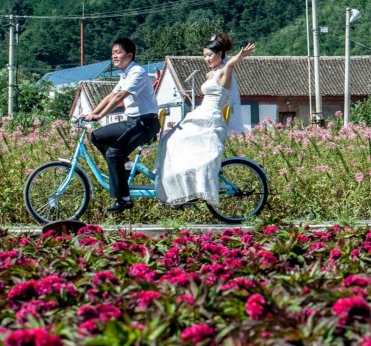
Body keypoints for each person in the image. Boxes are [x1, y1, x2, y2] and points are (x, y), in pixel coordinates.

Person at [155, 33, 255, 208]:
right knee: (168, 140)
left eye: (209, 55)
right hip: (200, 114)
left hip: (211, 117)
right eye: (205, 55)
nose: (206, 58)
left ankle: (189, 190)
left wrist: (240, 56)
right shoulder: (214, 72)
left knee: (174, 141)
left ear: (220, 54)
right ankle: (183, 187)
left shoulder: (226, 71)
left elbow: (230, 64)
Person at [84, 38, 160, 213]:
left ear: (130, 55)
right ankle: (126, 166)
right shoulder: (125, 74)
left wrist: (99, 116)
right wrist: (91, 112)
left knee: (113, 154)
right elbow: (111, 96)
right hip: (132, 122)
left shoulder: (137, 73)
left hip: (145, 123)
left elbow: (120, 98)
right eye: (112, 53)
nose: (114, 56)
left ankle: (124, 199)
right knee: (97, 136)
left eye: (118, 53)